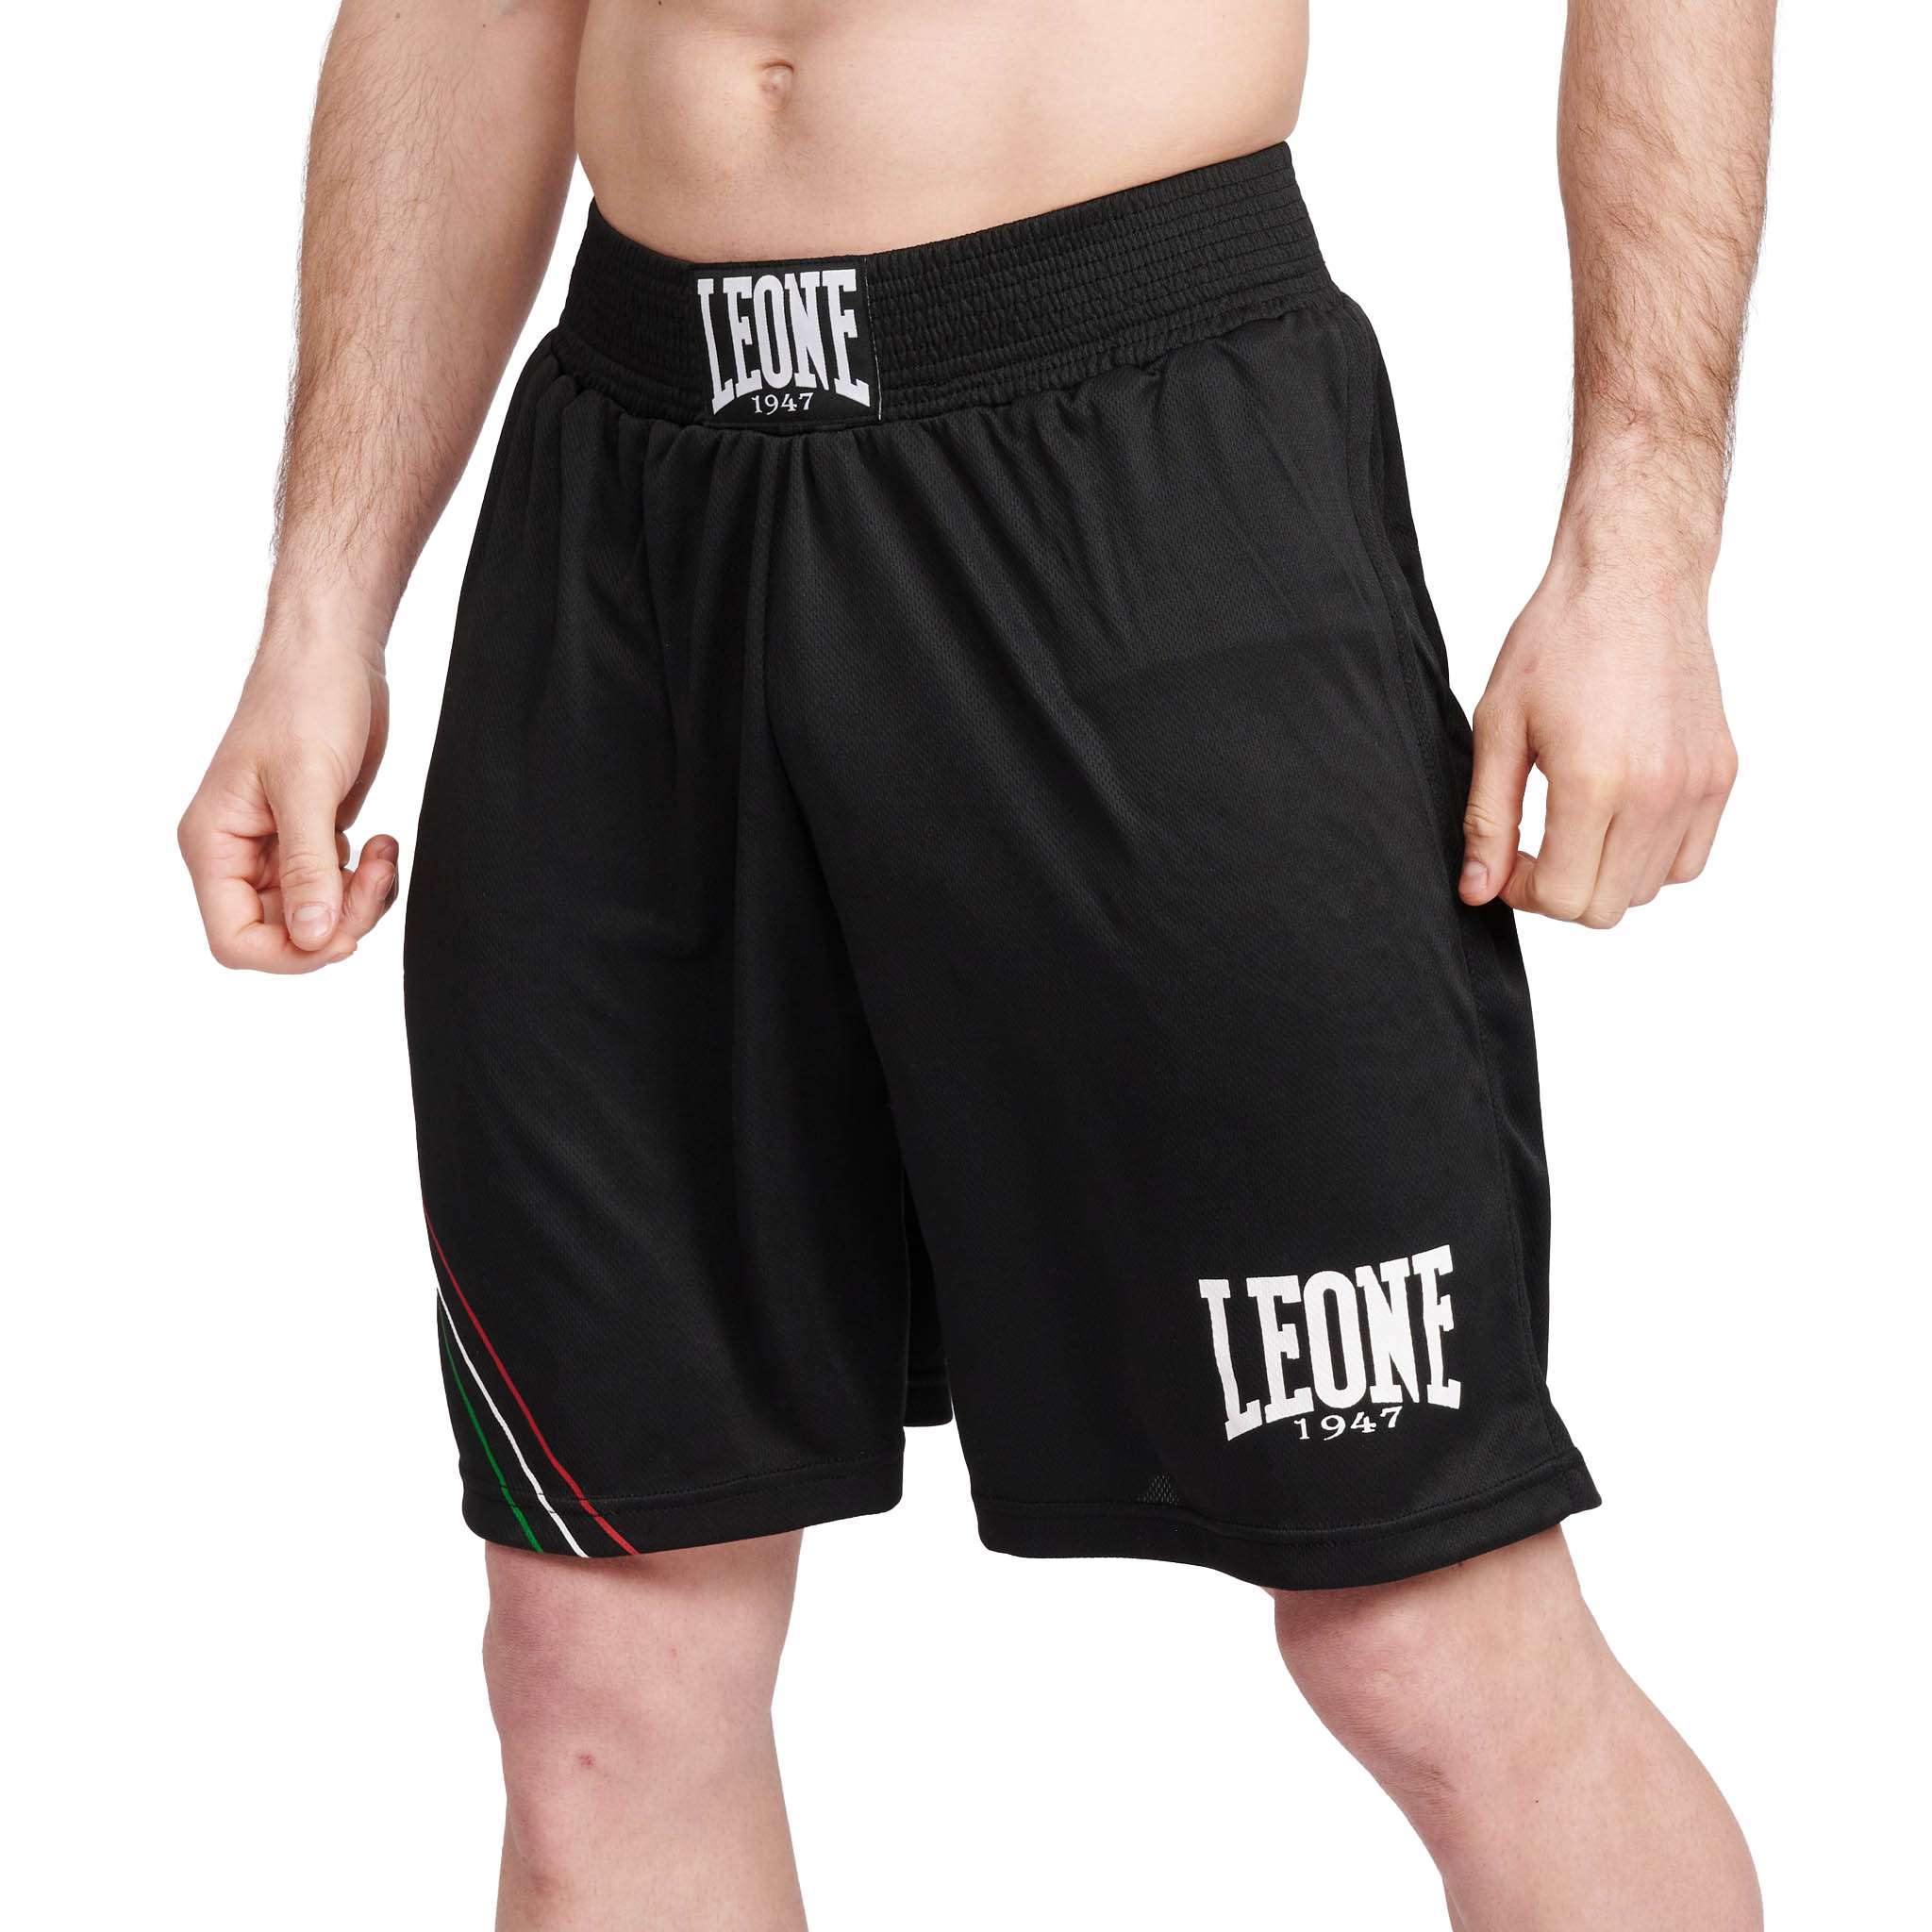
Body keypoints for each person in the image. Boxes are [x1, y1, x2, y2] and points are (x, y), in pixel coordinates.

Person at [177, 2, 1771, 1924]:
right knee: (602, 1671)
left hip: (1137, 474)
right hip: (632, 515)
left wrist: (1644, 543)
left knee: (1422, 1626)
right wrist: (324, 598)